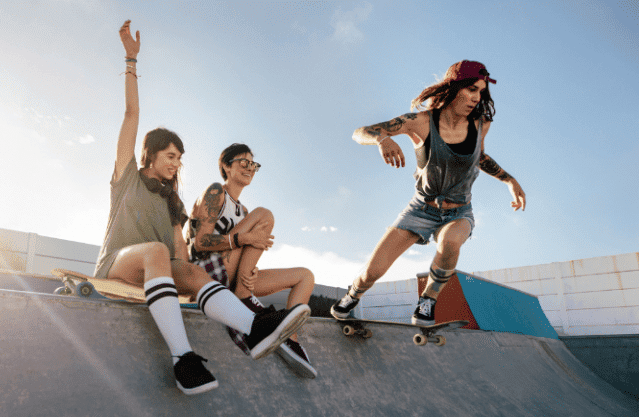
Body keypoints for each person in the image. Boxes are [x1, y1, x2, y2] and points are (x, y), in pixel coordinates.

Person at [94, 21, 310, 395]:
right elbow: (130, 116)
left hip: (155, 273)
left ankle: (255, 329)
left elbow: (181, 254)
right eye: (171, 156)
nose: (177, 164)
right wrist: (131, 60)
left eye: (180, 158)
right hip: (117, 266)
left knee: (190, 271)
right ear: (150, 155)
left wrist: (199, 277)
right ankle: (183, 357)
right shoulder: (126, 176)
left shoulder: (172, 204)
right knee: (157, 251)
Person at [331, 60, 526, 325]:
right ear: (453, 88)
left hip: (459, 211)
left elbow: (478, 156)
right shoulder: (420, 122)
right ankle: (352, 296)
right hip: (420, 209)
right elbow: (359, 132)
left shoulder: (480, 124)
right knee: (372, 272)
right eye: (471, 89)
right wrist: (382, 138)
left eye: (480, 92)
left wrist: (508, 180)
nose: (476, 98)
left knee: (450, 243)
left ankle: (428, 300)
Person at [185, 143, 317, 378]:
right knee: (264, 214)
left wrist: (251, 271)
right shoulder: (216, 192)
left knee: (305, 276)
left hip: (232, 278)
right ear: (226, 166)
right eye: (243, 162)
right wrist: (244, 237)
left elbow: (243, 256)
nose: (250, 168)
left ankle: (289, 339)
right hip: (204, 273)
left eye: (253, 164)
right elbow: (200, 244)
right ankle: (244, 298)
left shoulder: (243, 211)